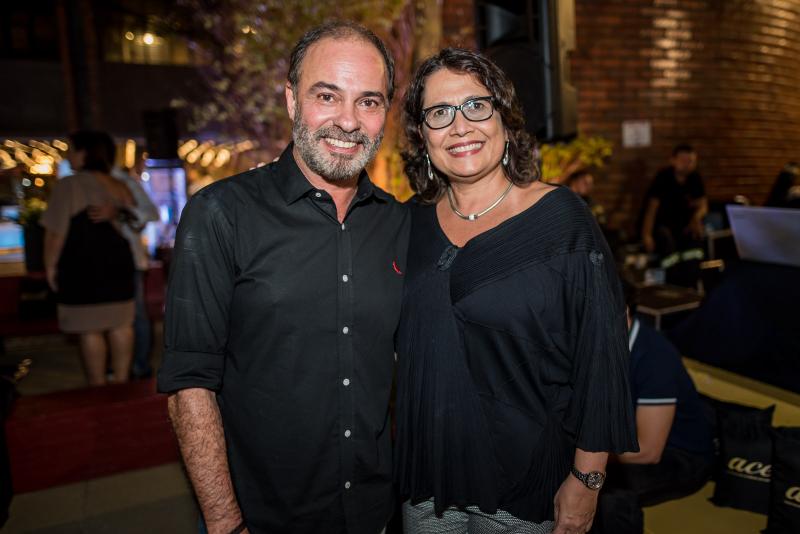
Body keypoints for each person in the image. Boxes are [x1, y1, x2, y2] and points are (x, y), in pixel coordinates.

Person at [157, 22, 410, 534]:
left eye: (368, 101)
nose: (348, 121)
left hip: (376, 513)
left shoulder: (399, 223)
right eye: (327, 96)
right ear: (292, 100)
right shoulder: (220, 214)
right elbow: (189, 384)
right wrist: (226, 523)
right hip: (262, 517)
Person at [394, 48, 637, 534]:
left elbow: (602, 353)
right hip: (425, 482)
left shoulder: (562, 220)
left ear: (505, 121)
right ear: (422, 135)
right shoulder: (407, 224)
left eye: (476, 106)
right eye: (439, 113)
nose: (460, 126)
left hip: (524, 489)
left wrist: (587, 479)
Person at [591, 281, 714, 534]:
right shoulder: (599, 345)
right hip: (624, 442)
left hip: (682, 457)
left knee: (603, 489)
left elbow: (648, 451)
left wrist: (582, 455)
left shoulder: (654, 355)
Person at [42, 130, 136, 386]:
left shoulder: (69, 185)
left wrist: (50, 265)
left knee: (90, 327)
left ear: (84, 153)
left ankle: (98, 387)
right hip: (119, 262)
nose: (67, 156)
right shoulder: (119, 185)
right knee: (121, 323)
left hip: (84, 264)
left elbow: (56, 232)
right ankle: (122, 383)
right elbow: (136, 223)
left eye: (71, 150)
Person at [111, 157, 160, 379]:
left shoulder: (122, 180)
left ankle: (140, 366)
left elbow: (149, 213)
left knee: (135, 314)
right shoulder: (90, 181)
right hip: (109, 260)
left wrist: (122, 210)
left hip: (129, 258)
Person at [640, 144, 707, 256]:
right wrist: (646, 235)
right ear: (673, 160)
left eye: (691, 161)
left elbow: (703, 205)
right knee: (666, 242)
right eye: (683, 161)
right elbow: (652, 209)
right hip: (663, 225)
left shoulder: (695, 178)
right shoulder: (663, 178)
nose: (687, 165)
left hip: (685, 225)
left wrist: (696, 217)